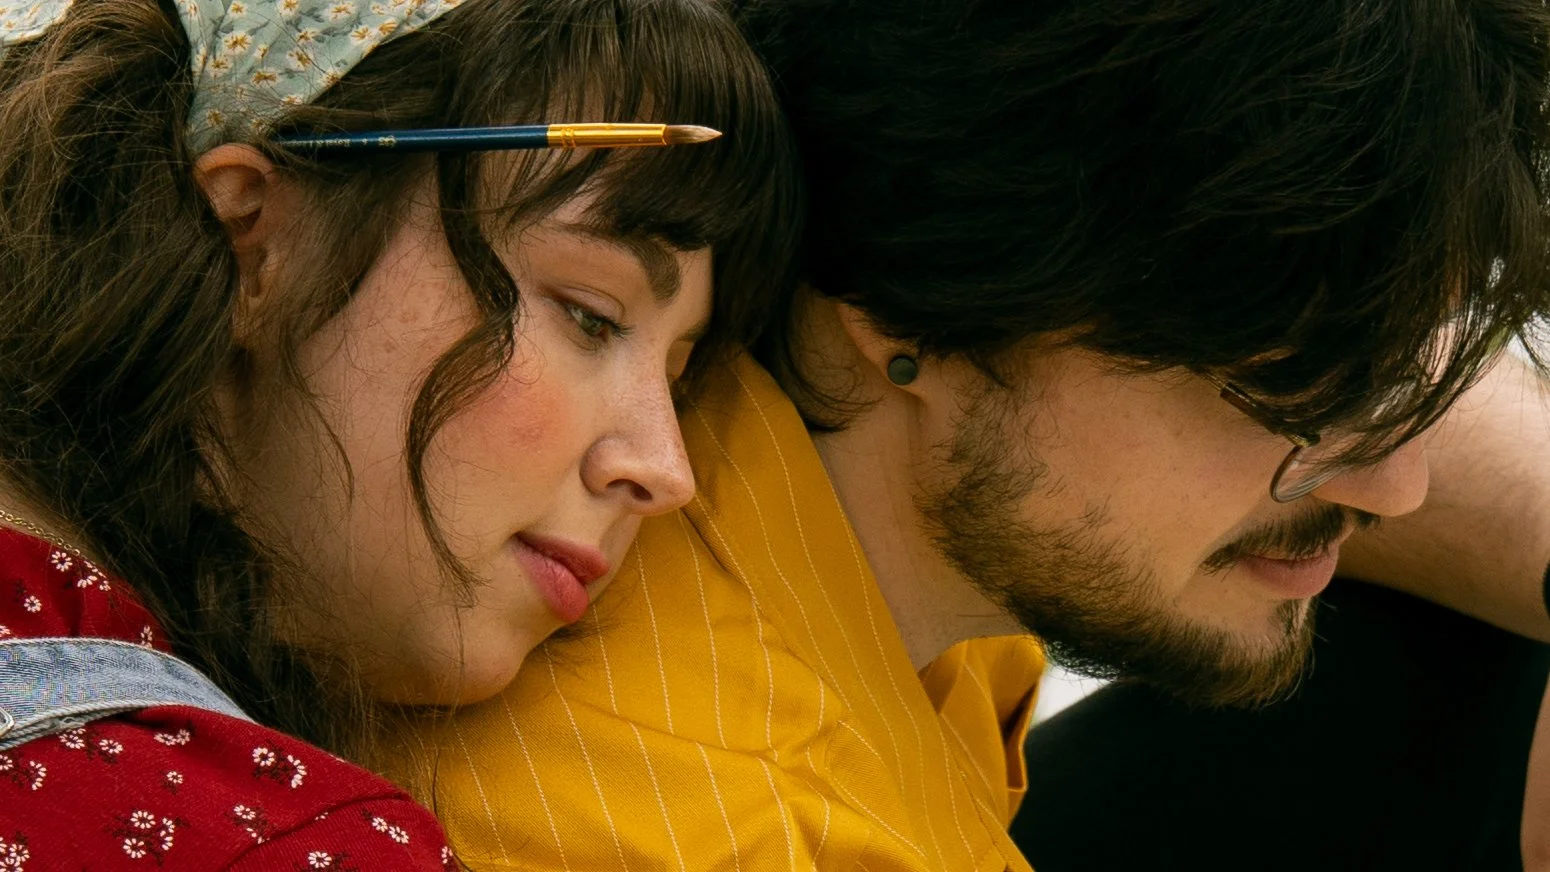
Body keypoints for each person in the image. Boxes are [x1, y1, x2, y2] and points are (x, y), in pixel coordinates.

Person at [402, 0, 1550, 869]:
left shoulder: (809, 447)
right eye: (1295, 388)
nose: (1400, 483)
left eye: (1399, 369)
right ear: (916, 314)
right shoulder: (733, 829)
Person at [0, 0, 797, 867]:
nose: (666, 469)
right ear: (248, 238)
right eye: (590, 317)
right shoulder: (286, 846)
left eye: (679, 379)